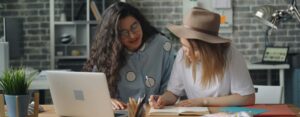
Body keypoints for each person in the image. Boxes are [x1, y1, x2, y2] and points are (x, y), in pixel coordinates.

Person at [149, 7, 255, 108]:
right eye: (184, 45)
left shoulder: (230, 54)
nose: (187, 53)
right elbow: (173, 93)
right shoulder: (182, 54)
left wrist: (204, 101)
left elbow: (248, 97)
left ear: (209, 48)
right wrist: (162, 99)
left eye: (194, 49)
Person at [82, 2, 175, 110]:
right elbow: (92, 90)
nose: (132, 35)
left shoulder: (162, 45)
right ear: (114, 37)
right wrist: (107, 100)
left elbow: (172, 87)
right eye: (124, 33)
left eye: (134, 26)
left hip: (156, 112)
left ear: (140, 22)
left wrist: (162, 100)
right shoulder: (107, 52)